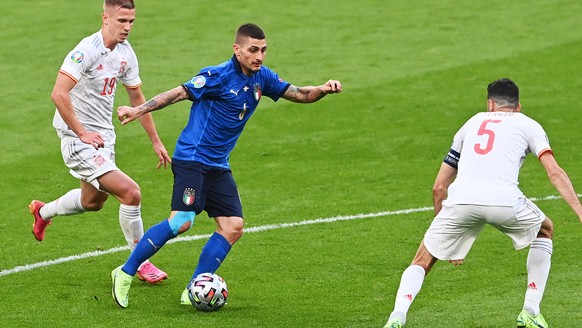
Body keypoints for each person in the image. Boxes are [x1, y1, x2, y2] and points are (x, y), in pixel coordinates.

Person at [110, 22, 342, 308]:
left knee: (233, 226)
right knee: (182, 221)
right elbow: (179, 93)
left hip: (218, 164)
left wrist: (322, 89)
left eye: (264, 50)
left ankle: (194, 287)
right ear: (237, 49)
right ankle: (125, 272)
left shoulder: (262, 78)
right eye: (253, 50)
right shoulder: (217, 76)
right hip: (192, 158)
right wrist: (137, 109)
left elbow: (300, 94)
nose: (259, 56)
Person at [383, 78, 582, 328]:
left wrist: (449, 239)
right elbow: (554, 172)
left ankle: (397, 316)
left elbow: (439, 187)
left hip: (461, 202)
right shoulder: (528, 124)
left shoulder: (471, 123)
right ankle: (530, 311)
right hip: (505, 203)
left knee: (423, 259)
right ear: (518, 106)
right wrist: (579, 210)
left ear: (490, 104)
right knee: (545, 229)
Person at [28, 0, 172, 284]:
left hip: (103, 139)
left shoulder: (126, 54)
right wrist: (81, 133)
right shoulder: (86, 51)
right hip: (77, 138)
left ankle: (42, 211)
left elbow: (136, 99)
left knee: (92, 201)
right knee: (131, 193)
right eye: (122, 21)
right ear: (105, 17)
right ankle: (139, 263)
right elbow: (59, 94)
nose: (127, 27)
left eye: (131, 21)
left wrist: (156, 140)